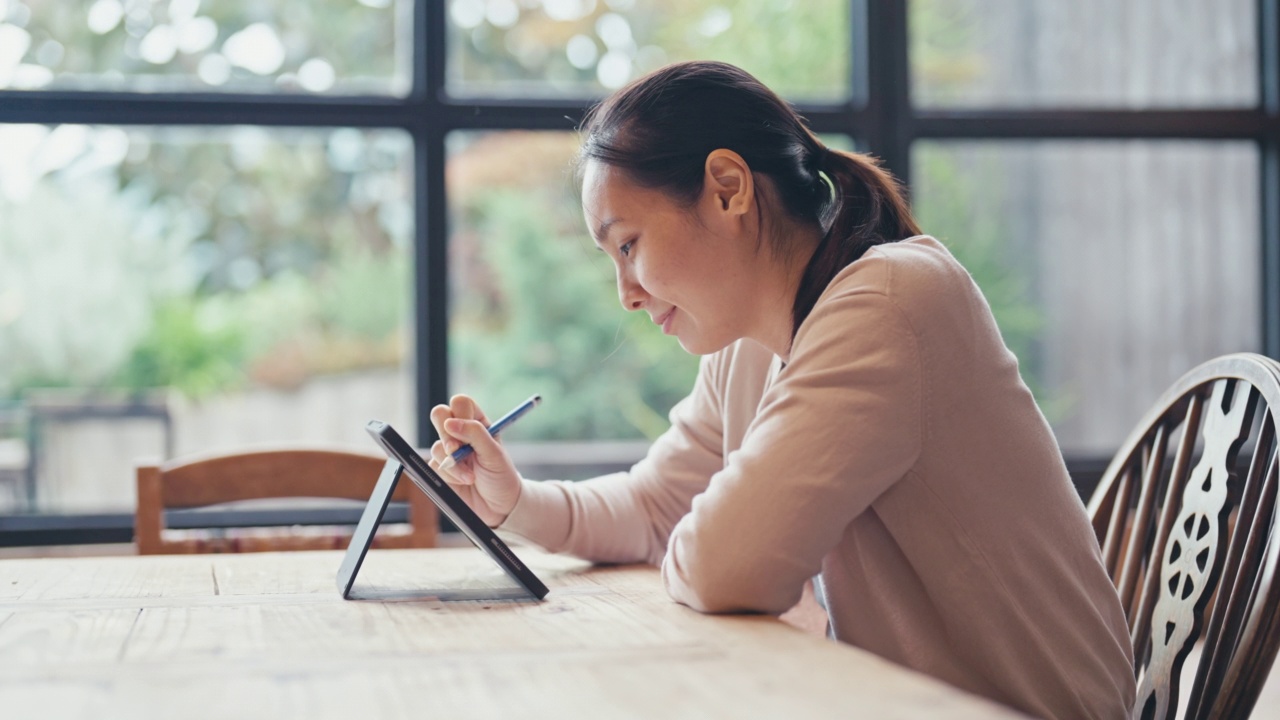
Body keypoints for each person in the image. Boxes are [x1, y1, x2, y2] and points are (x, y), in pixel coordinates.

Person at [428, 61, 1135, 719]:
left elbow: (726, 566)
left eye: (629, 245)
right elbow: (654, 510)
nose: (626, 294)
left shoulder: (890, 302)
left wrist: (723, 545)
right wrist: (515, 503)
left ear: (729, 188)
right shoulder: (749, 344)